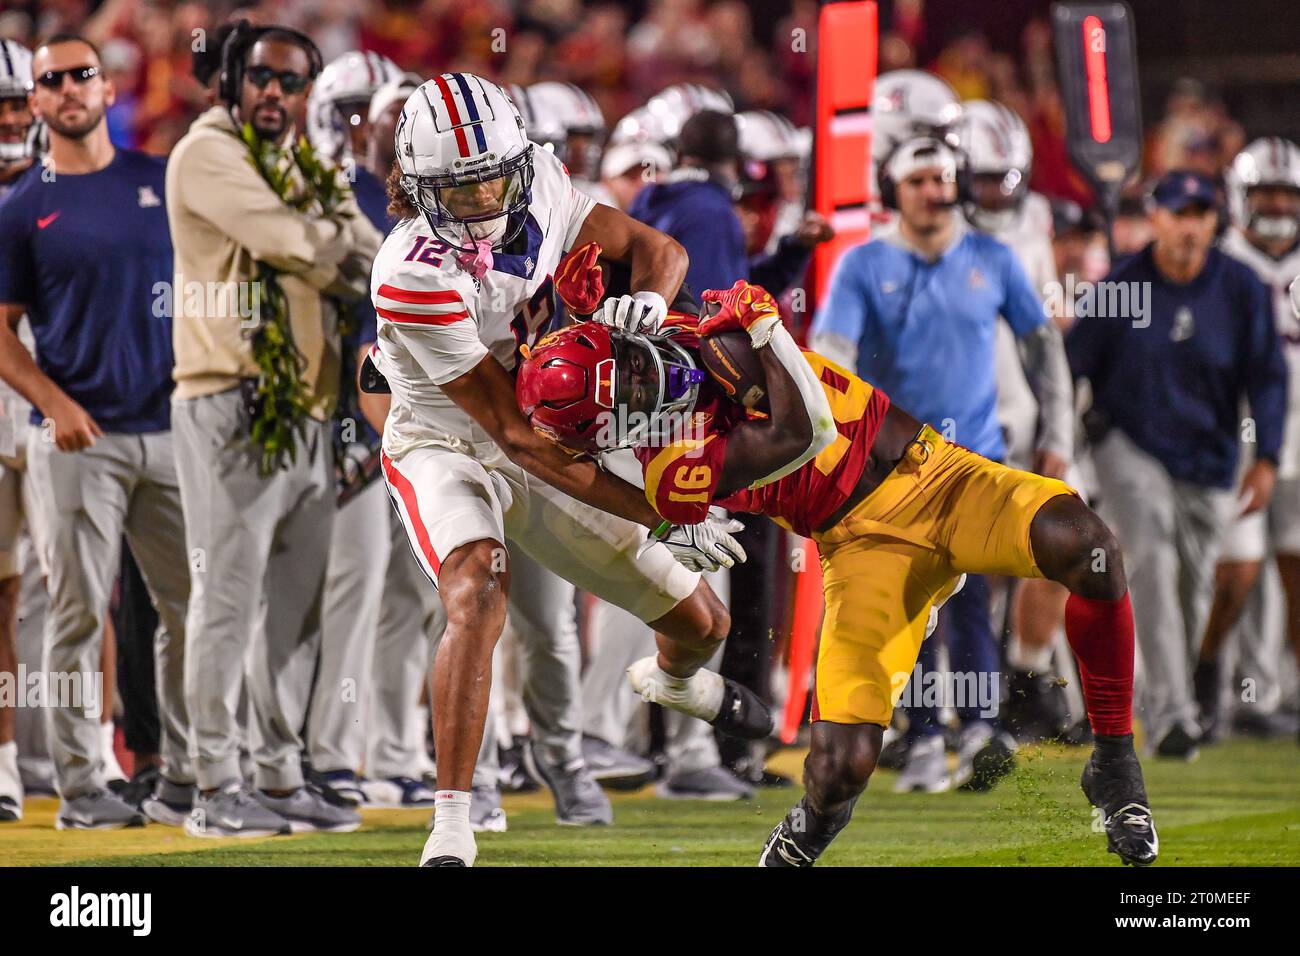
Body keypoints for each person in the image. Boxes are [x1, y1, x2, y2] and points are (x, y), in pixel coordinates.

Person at [517, 279, 1158, 868]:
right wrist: (766, 327)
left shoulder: (680, 331)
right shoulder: (671, 470)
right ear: (608, 437)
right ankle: (807, 828)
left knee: (1090, 547)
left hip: (940, 477)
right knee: (841, 766)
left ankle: (1114, 762)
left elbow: (656, 252)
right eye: (627, 399)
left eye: (629, 365)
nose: (645, 384)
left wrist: (639, 292)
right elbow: (806, 431)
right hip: (860, 546)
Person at [367, 72, 766, 867]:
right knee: (479, 587)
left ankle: (677, 681)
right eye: (460, 186)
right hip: (444, 442)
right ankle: (453, 822)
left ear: (519, 162)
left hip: (536, 429)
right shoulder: (410, 275)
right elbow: (514, 438)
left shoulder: (544, 184)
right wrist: (659, 511)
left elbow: (659, 250)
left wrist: (648, 303)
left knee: (703, 626)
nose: (483, 199)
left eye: (492, 176)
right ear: (416, 189)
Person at [166, 21, 381, 837]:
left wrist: (365, 256)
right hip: (230, 399)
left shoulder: (298, 163)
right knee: (225, 603)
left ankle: (278, 772)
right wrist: (355, 256)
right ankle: (214, 784)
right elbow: (288, 239)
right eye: (260, 78)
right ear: (232, 79)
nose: (274, 95)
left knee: (295, 607)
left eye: (292, 84)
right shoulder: (207, 151)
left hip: (308, 409)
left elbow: (360, 242)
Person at [810, 136, 1073, 793]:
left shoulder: (993, 258)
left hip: (975, 455)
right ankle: (925, 734)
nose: (935, 190)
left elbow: (1044, 350)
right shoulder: (862, 265)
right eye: (920, 179)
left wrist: (1058, 433)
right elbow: (831, 353)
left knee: (976, 595)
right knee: (917, 601)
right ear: (891, 188)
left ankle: (980, 725)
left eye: (942, 177)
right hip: (892, 464)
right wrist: (831, 439)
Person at [0, 34, 190, 830]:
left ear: (108, 88)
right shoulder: (20, 209)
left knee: (193, 608)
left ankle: (191, 771)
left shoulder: (162, 180)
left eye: (83, 74)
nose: (70, 89)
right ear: (37, 102)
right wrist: (52, 400)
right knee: (78, 613)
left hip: (174, 430)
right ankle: (82, 789)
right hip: (75, 439)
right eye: (53, 81)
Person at [1066, 169, 1287, 760]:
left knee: (1195, 585)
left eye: (1200, 214)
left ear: (1216, 221)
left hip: (1211, 456)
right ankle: (1171, 717)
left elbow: (1267, 374)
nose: (1189, 226)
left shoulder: (1241, 288)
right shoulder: (1123, 284)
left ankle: (1175, 697)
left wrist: (1266, 456)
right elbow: (1070, 362)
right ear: (1155, 217)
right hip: (1129, 445)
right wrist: (1062, 435)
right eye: (1177, 213)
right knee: (1154, 560)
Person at [1196, 139, 1300, 741]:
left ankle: (1264, 691)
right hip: (1236, 441)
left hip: (1295, 441)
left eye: (1288, 193)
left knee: (1289, 571)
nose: (1280, 204)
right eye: (1268, 193)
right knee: (1236, 574)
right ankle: (1211, 680)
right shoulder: (1218, 265)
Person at [0, 35, 33, 823]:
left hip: (65, 407)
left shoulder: (73, 183)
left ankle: (91, 754)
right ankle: (6, 762)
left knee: (78, 595)